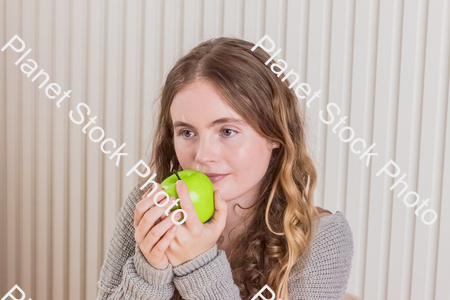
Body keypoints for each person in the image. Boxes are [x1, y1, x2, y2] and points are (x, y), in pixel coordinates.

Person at [96, 37, 354, 300]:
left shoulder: (322, 239)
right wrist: (150, 272)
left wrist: (198, 265)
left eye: (227, 131)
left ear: (275, 134)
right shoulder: (150, 209)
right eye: (187, 132)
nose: (203, 155)